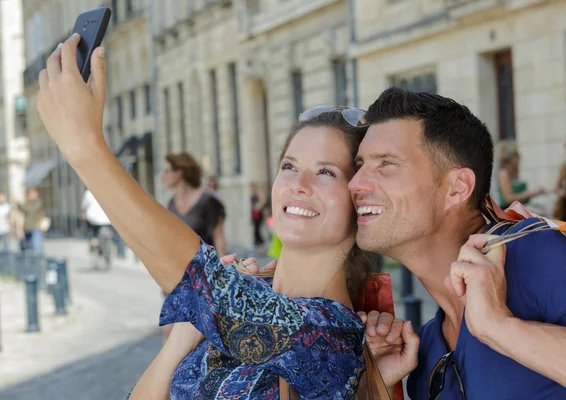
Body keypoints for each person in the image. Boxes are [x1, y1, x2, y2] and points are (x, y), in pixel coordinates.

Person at [34, 36, 417, 399]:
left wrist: (85, 147)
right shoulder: (240, 301)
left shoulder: (332, 334)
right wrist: (184, 337)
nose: (298, 184)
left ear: (358, 200)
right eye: (288, 166)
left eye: (326, 172)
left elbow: (197, 276)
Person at [346, 88, 566, 399]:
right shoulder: (424, 353)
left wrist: (499, 328)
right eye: (360, 166)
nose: (355, 183)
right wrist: (372, 389)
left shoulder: (537, 254)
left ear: (457, 188)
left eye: (386, 164)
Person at [163, 153, 226, 257]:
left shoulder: (208, 200)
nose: (163, 176)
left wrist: (222, 268)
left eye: (167, 171)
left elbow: (219, 237)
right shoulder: (171, 203)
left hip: (206, 268)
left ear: (179, 172)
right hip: (182, 269)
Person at [496, 140, 545, 209]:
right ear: (509, 158)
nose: (519, 158)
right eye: (516, 156)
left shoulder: (513, 172)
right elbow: (508, 198)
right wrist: (531, 193)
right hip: (508, 211)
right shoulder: (503, 173)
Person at [17, 188, 44, 254]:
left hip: (36, 228)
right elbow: (20, 217)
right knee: (25, 249)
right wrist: (19, 229)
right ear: (28, 195)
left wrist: (42, 225)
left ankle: (38, 262)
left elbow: (41, 215)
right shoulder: (24, 205)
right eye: (32, 194)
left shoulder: (39, 203)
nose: (35, 195)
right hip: (26, 229)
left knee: (37, 247)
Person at [250, 181, 267, 251]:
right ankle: (258, 246)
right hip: (254, 214)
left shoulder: (258, 192)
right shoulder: (251, 193)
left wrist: (258, 207)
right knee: (255, 230)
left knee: (257, 230)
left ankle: (262, 245)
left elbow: (263, 200)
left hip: (258, 214)